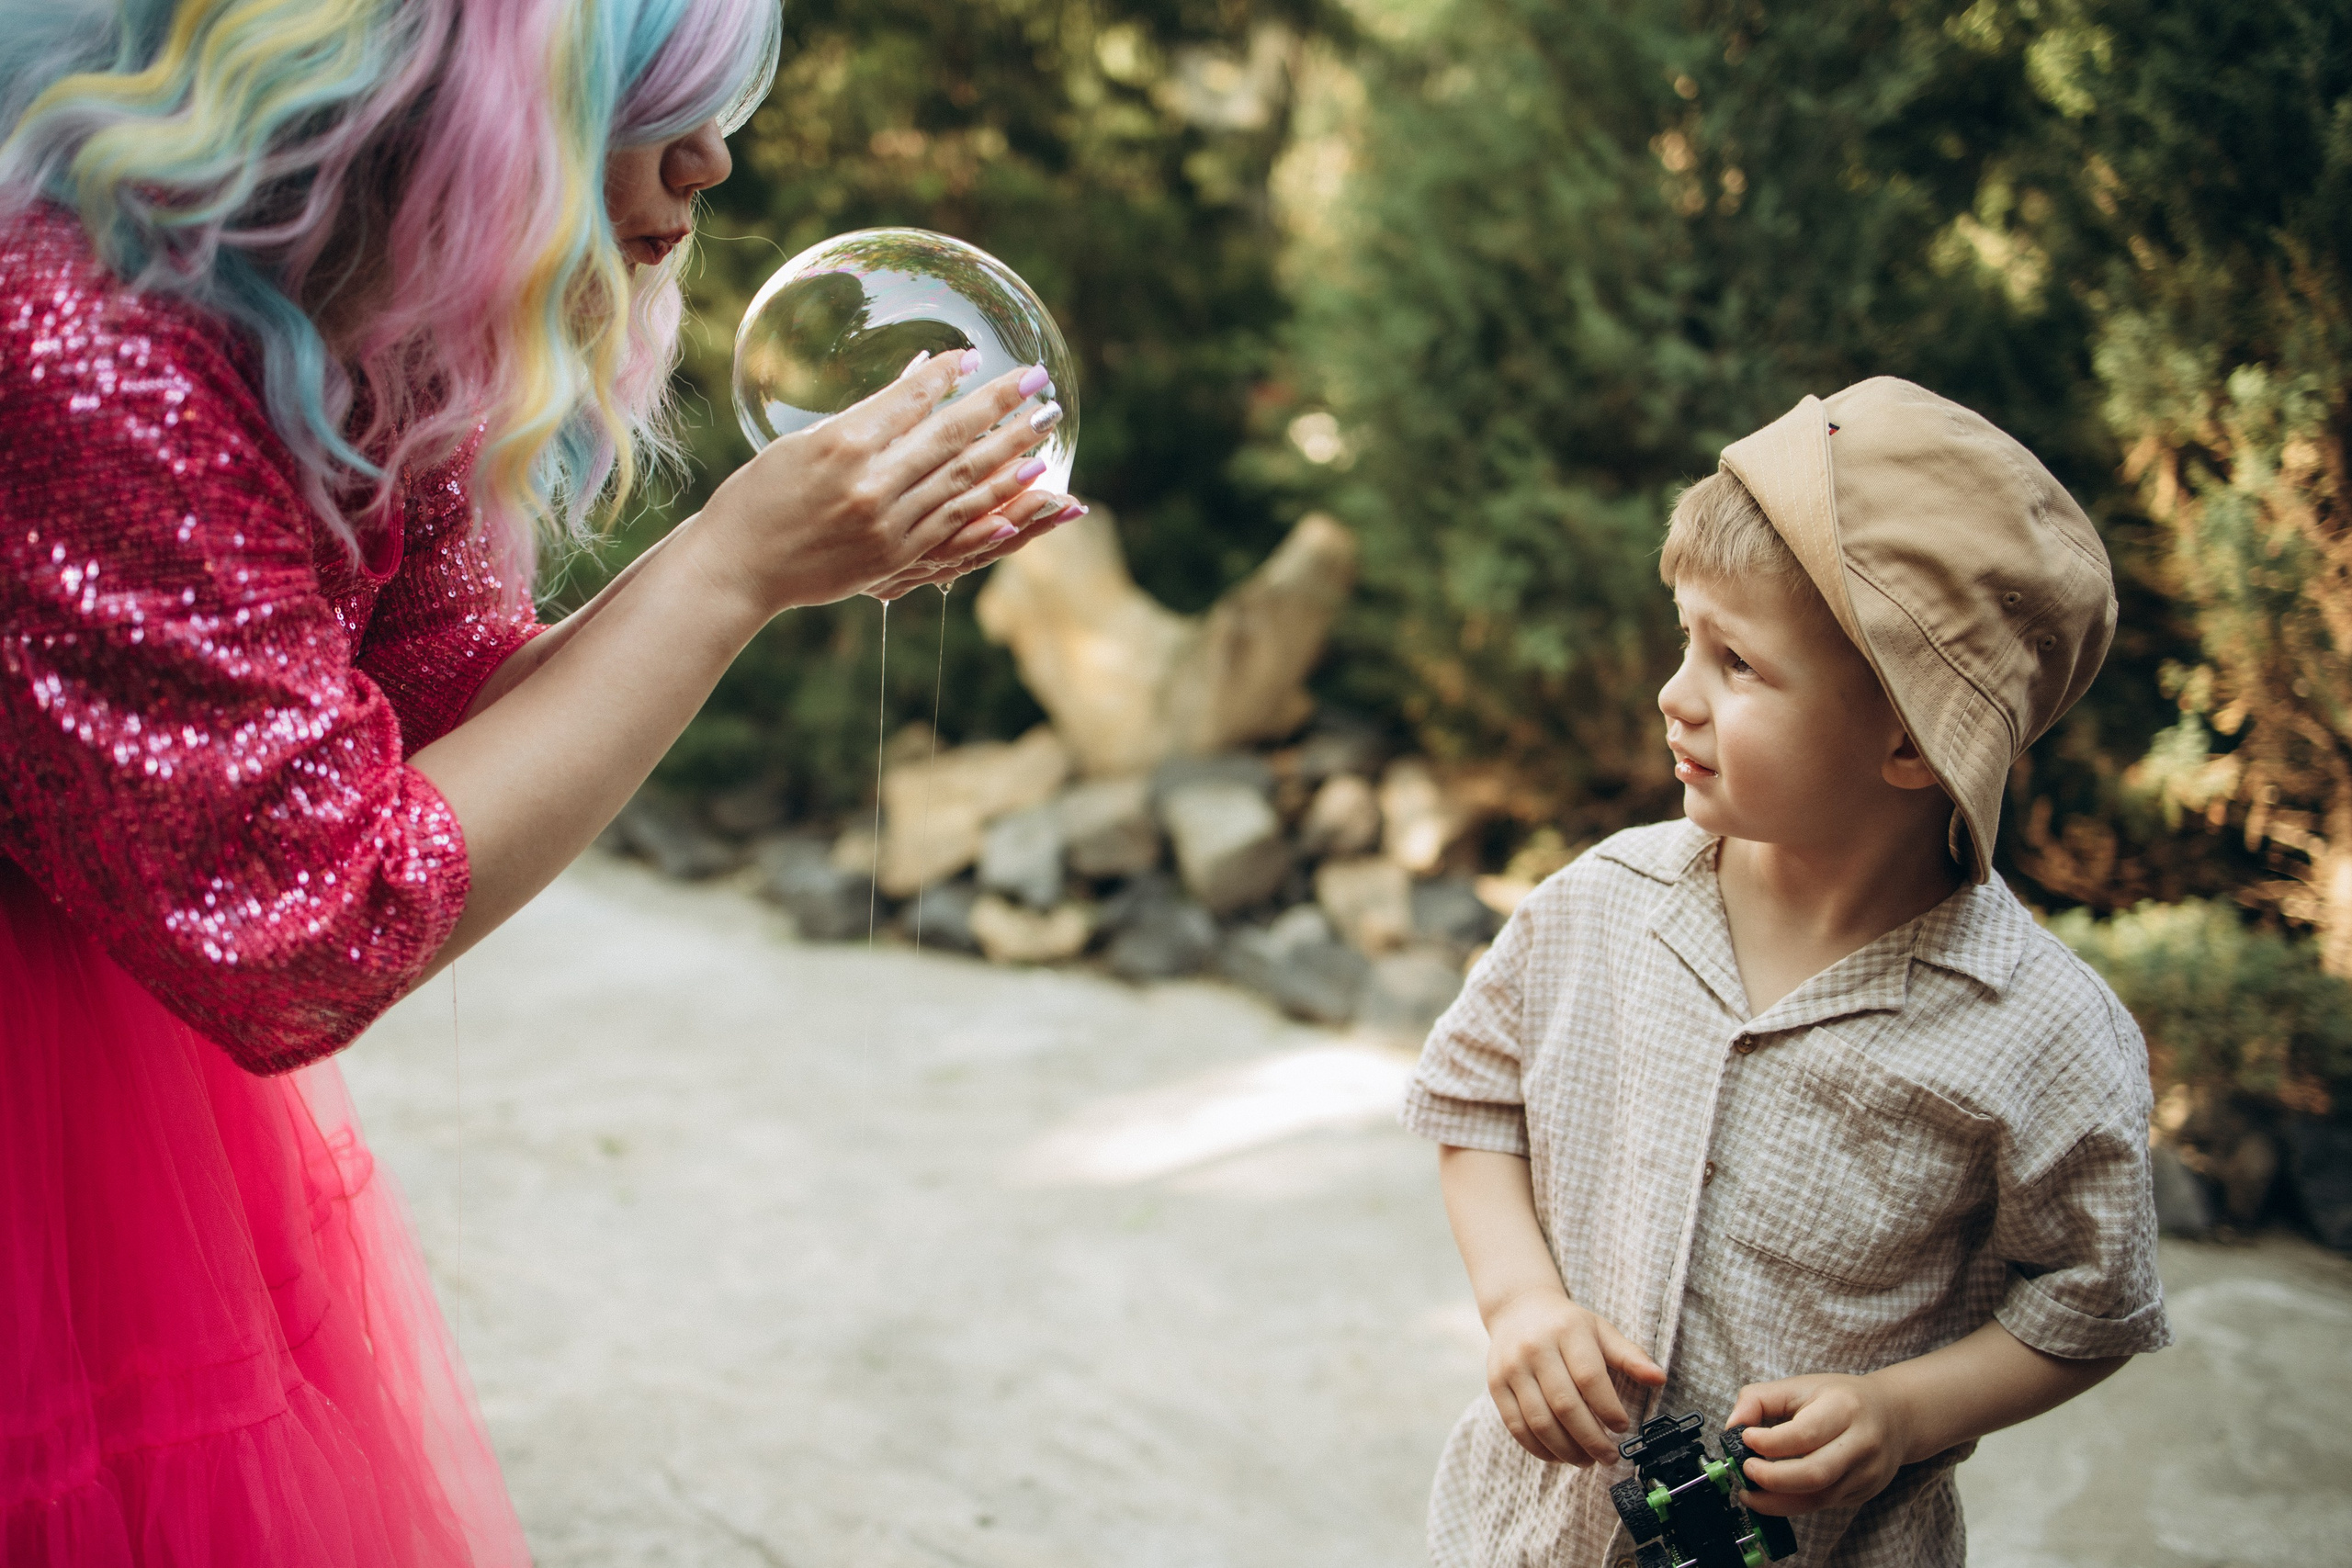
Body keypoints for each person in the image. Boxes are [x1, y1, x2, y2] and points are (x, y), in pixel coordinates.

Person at [0, 0, 1078, 1560]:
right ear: (472, 99)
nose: (713, 157)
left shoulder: (339, 326)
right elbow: (312, 929)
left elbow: (439, 722)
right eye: (659, 101)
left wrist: (776, 571)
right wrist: (722, 569)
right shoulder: (80, 340)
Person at [1402, 378, 2170, 1566]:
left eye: (1737, 664)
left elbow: (2090, 1302)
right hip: (1532, 1534)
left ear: (1911, 738)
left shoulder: (2040, 1032)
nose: (1675, 694)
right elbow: (1474, 1099)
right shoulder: (1603, 905)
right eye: (1684, 640)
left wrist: (1908, 1411)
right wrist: (1521, 1305)